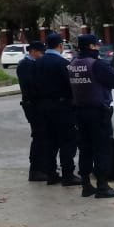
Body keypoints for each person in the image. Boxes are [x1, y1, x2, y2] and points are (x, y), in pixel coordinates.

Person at [67, 34, 114, 198]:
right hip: (98, 112)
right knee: (102, 148)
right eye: (97, 45)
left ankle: (86, 184)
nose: (99, 47)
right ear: (92, 47)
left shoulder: (73, 64)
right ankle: (102, 186)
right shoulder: (97, 64)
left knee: (85, 149)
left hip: (79, 112)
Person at [34, 32, 82, 186]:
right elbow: (70, 86)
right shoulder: (62, 63)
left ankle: (51, 174)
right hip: (62, 107)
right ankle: (68, 174)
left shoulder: (37, 63)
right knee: (67, 141)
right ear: (60, 45)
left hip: (43, 107)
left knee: (50, 142)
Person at [17, 41, 47, 181]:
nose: (42, 55)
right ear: (33, 51)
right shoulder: (25, 65)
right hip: (32, 105)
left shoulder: (31, 64)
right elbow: (32, 85)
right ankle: (35, 169)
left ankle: (41, 166)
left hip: (36, 104)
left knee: (42, 136)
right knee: (39, 136)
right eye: (41, 53)